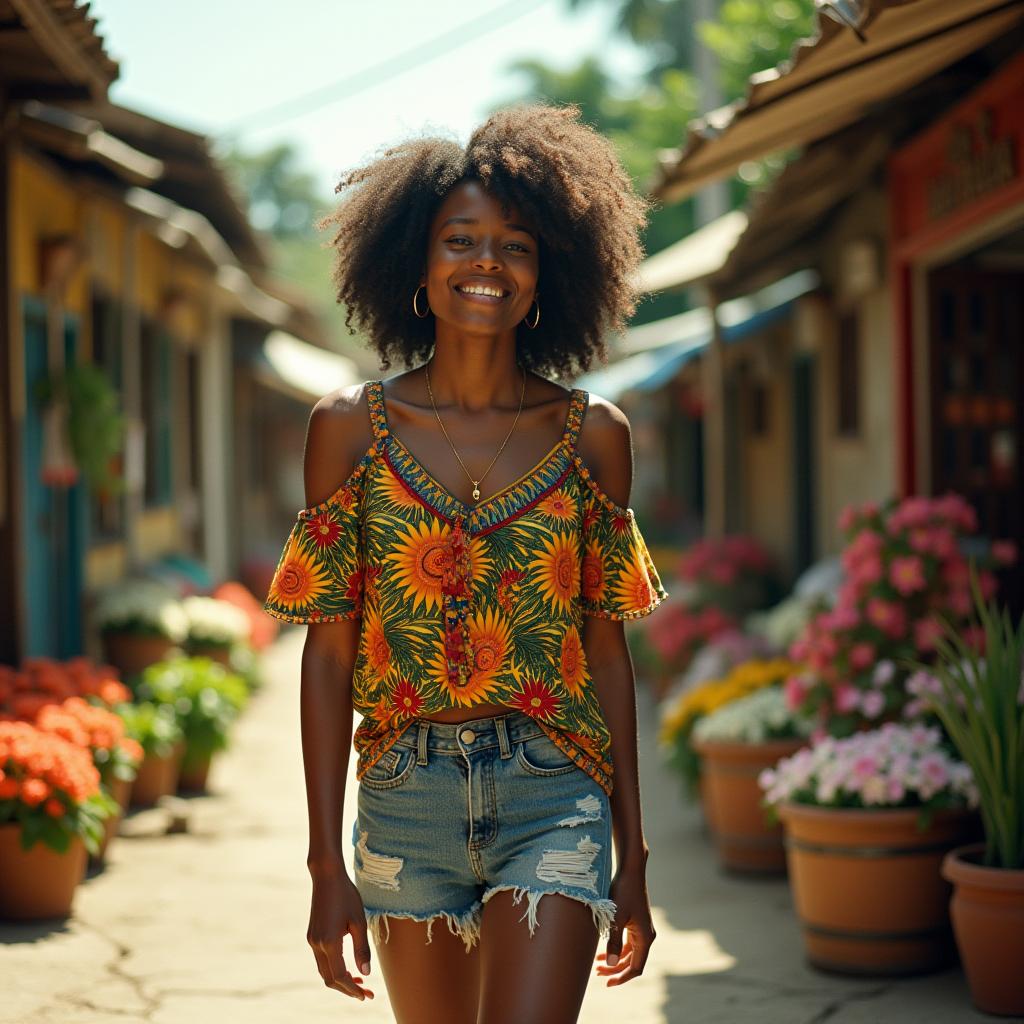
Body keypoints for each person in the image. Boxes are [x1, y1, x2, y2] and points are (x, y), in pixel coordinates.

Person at [263, 103, 667, 1024]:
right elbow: (328, 657)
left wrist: (633, 856)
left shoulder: (593, 437)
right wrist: (327, 865)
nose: (488, 263)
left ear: (545, 276)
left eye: (517, 246)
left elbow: (607, 653)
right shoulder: (346, 431)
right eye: (461, 240)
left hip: (554, 788)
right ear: (416, 262)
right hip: (406, 795)